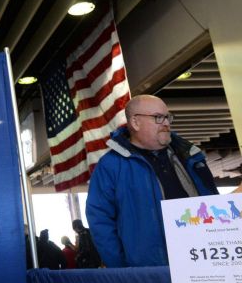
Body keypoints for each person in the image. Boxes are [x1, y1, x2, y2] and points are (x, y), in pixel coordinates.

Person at [86, 94, 218, 268]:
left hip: (203, 262)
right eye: (158, 117)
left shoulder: (190, 155)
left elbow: (213, 202)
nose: (166, 123)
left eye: (168, 117)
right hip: (149, 272)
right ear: (135, 122)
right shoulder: (111, 166)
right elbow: (100, 220)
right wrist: (123, 270)